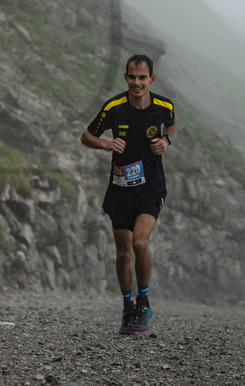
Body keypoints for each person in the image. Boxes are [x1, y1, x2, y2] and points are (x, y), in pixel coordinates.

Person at [80, 54, 176, 335]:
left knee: (140, 243)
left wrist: (165, 140)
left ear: (151, 79)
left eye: (142, 78)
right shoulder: (113, 108)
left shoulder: (163, 106)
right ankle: (127, 306)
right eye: (132, 77)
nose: (137, 83)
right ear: (126, 77)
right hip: (121, 190)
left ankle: (143, 302)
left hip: (151, 186)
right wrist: (106, 144)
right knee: (123, 254)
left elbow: (171, 123)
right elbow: (85, 136)